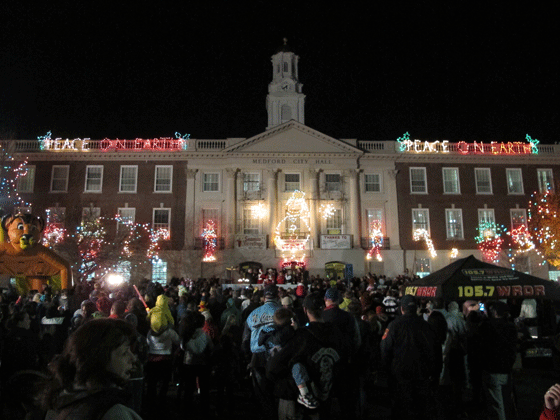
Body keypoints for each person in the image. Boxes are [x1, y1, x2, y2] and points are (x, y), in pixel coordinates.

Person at [38, 318, 142, 419]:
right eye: (124, 353)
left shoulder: (58, 401)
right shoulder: (114, 413)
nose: (133, 358)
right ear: (100, 359)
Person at [267, 292, 346, 419]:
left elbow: (273, 367)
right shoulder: (337, 334)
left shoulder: (301, 336)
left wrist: (290, 386)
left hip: (299, 404)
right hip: (327, 397)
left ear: (305, 310)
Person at [380, 295, 442, 420]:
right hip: (422, 374)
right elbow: (436, 350)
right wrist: (435, 373)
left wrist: (387, 371)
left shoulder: (393, 325)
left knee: (402, 407)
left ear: (401, 309)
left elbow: (385, 349)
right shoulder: (426, 326)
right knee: (421, 408)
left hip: (400, 374)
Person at [242, 284, 280, 419]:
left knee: (262, 394)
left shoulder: (253, 313)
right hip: (277, 357)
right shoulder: (283, 312)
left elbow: (245, 340)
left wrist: (247, 359)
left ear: (264, 297)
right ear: (278, 295)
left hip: (257, 358)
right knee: (277, 392)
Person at [478, 301, 518, 420]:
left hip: (492, 368)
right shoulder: (511, 327)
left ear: (494, 311)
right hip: (506, 368)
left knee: (496, 405)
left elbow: (480, 345)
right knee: (507, 401)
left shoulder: (487, 326)